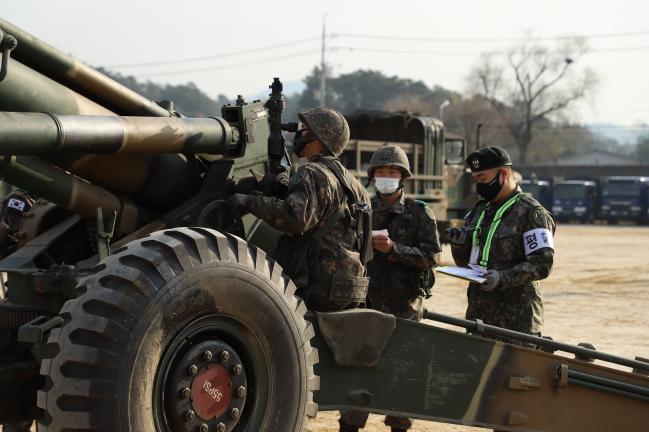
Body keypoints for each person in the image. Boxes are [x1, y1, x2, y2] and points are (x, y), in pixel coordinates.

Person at [338, 145, 441, 432]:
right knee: (359, 374)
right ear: (372, 176)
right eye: (381, 172)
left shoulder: (420, 213)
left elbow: (432, 257)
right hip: (366, 306)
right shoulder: (362, 210)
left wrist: (395, 249)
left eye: (392, 172)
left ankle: (399, 425)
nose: (386, 177)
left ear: (402, 177)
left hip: (405, 309)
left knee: (402, 375)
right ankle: (350, 425)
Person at [229, 107, 372, 311]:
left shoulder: (313, 173)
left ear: (318, 136)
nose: (298, 133)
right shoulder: (355, 186)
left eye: (304, 129)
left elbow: (293, 218)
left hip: (315, 288)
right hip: (350, 289)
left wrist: (248, 201)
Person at [448, 146, 555, 337]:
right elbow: (465, 263)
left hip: (516, 323)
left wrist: (502, 278)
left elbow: (542, 264)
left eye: (482, 178)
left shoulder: (532, 213)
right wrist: (460, 245)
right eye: (475, 180)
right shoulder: (479, 211)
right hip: (479, 316)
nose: (478, 185)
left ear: (504, 173)